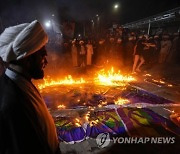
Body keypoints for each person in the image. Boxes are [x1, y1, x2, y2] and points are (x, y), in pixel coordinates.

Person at [0, 20, 60, 154]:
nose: (46, 61)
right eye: (42, 55)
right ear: (27, 59)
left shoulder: (20, 83)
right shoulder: (11, 104)